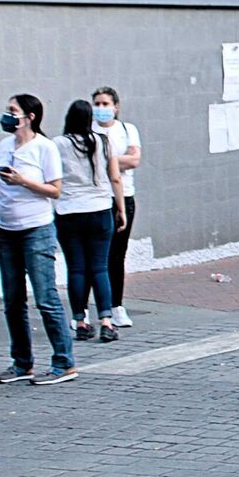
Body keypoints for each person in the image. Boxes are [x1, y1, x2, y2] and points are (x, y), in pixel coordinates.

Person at [0, 94, 76, 386]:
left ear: (30, 116)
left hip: (36, 229)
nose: (7, 115)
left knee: (46, 298)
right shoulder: (4, 145)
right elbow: (4, 188)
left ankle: (64, 361)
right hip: (6, 229)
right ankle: (22, 362)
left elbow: (55, 190)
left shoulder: (45, 147)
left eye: (13, 111)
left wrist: (23, 181)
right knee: (12, 301)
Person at [55, 99, 126, 344]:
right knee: (100, 267)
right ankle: (106, 321)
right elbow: (115, 178)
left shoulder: (58, 144)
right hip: (99, 208)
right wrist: (120, 208)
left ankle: (80, 321)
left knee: (76, 268)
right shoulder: (103, 142)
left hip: (68, 211)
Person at [91, 87, 142, 328]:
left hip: (125, 197)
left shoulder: (126, 130)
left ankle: (116, 305)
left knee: (117, 254)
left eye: (105, 104)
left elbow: (134, 160)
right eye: (97, 104)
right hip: (99, 197)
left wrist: (106, 159)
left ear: (116, 106)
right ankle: (95, 307)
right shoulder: (89, 132)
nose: (101, 108)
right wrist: (117, 160)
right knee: (97, 256)